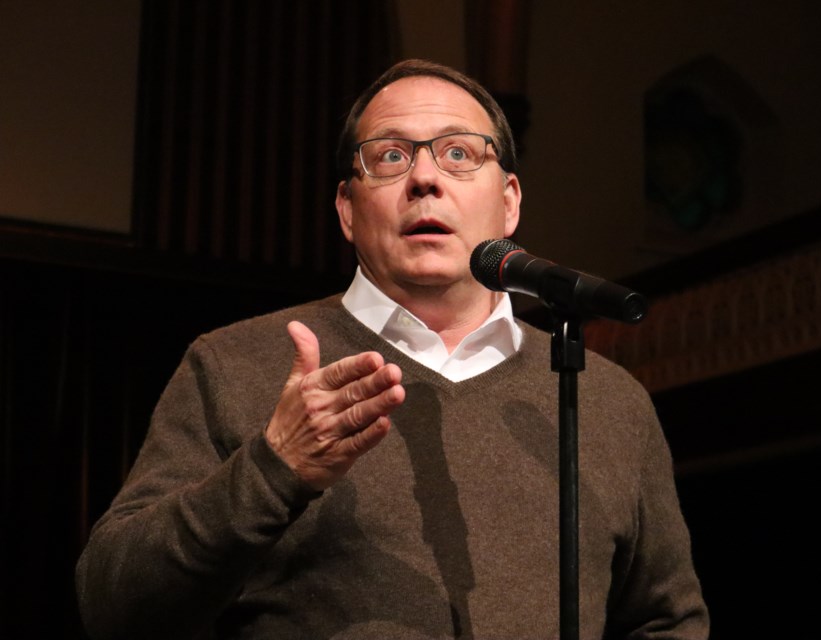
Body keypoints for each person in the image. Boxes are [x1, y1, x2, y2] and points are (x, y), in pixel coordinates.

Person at [75, 59, 709, 639]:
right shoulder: (233, 365)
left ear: (509, 202)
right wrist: (273, 468)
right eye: (390, 157)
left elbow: (666, 619)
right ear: (347, 209)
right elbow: (113, 604)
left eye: (460, 153)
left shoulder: (608, 400)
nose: (426, 179)